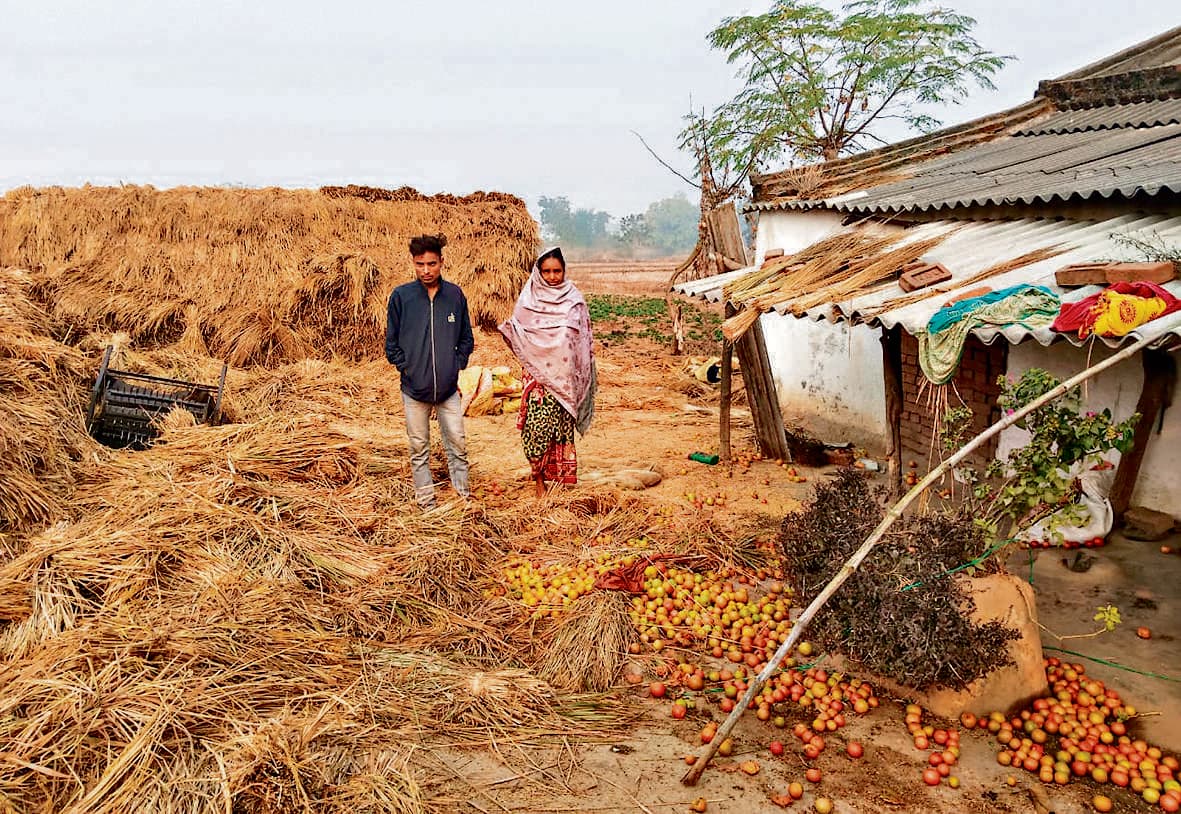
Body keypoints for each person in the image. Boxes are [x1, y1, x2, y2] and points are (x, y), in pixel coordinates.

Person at [385, 234, 474, 508]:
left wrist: (455, 365)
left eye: (431, 264)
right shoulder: (402, 297)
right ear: (413, 263)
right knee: (418, 448)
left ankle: (463, 498)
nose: (426, 270)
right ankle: (426, 502)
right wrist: (407, 368)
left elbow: (466, 338)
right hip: (414, 390)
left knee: (458, 444)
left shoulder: (455, 295)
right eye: (420, 264)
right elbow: (392, 343)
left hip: (448, 391)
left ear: (442, 262)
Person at [498, 246, 596, 497]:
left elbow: (583, 340)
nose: (552, 277)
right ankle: (538, 480)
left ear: (564, 271)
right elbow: (520, 333)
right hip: (538, 380)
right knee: (537, 429)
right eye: (547, 271)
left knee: (561, 430)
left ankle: (560, 480)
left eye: (557, 271)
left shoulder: (574, 300)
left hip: (565, 380)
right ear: (538, 272)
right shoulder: (528, 301)